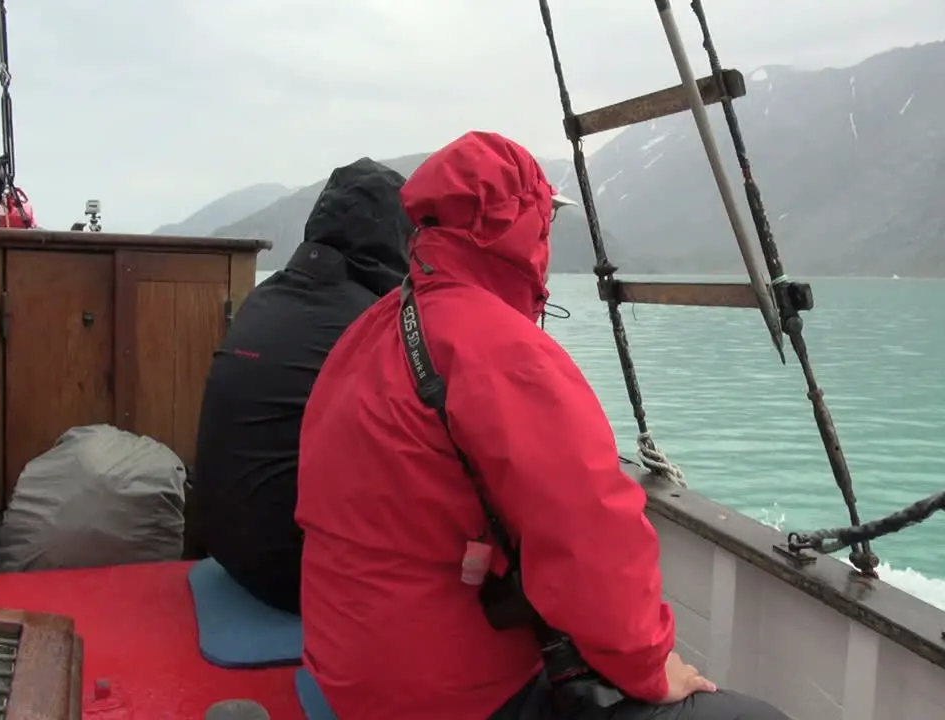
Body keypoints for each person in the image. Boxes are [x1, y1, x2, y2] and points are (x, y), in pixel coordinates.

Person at [295, 132, 790, 720]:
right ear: (522, 229)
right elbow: (590, 536)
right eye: (545, 222)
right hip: (442, 693)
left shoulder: (373, 328)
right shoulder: (502, 349)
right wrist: (652, 667)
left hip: (345, 667)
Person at [191, 157, 413, 613]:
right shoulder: (376, 323)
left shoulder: (266, 296)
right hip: (293, 575)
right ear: (399, 237)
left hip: (225, 549)